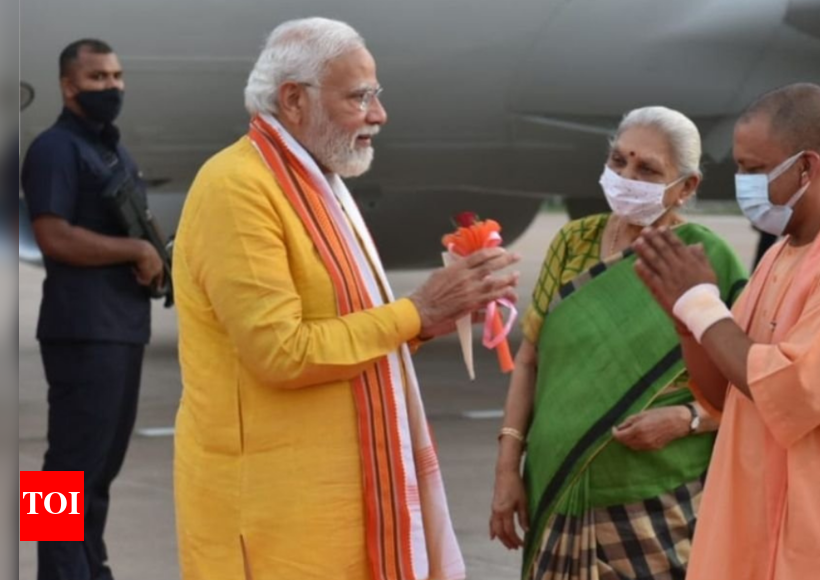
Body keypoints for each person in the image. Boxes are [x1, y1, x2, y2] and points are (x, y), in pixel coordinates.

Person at [171, 18, 519, 580]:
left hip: (327, 506)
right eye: (360, 97)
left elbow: (351, 329)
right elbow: (281, 351)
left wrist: (436, 313)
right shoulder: (237, 185)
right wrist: (417, 310)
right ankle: (57, 557)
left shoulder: (319, 186)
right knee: (66, 465)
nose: (378, 115)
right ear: (293, 100)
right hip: (268, 515)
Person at [633, 83, 820, 580]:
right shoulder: (782, 255)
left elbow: (789, 390)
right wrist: (687, 322)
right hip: (756, 534)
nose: (742, 183)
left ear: (806, 167)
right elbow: (728, 391)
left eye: (753, 169)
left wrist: (703, 307)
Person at [489, 106, 749, 580]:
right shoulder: (573, 242)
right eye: (618, 161)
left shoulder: (705, 256)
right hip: (558, 480)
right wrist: (508, 468)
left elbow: (754, 383)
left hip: (658, 496)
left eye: (647, 169)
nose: (626, 176)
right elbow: (529, 360)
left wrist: (686, 419)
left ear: (687, 187)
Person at [21, 38, 163, 580]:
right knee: (63, 476)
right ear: (68, 86)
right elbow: (52, 236)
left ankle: (87, 568)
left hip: (122, 328)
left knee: (98, 471)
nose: (112, 87)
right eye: (98, 78)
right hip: (83, 330)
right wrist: (136, 250)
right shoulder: (56, 149)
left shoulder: (112, 151)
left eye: (117, 76)